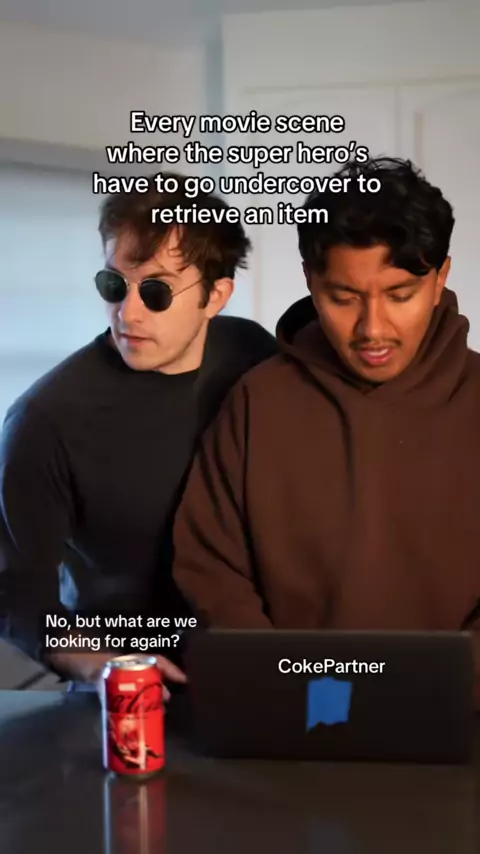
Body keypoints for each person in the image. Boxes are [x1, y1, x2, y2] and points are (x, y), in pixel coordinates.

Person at [172, 157, 480, 702]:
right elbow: (211, 569)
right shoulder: (257, 402)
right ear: (311, 283)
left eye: (400, 295)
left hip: (459, 718)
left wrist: (438, 690)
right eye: (344, 298)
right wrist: (295, 691)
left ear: (440, 280)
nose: (373, 329)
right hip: (289, 719)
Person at [0, 173, 277, 691]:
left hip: (251, 667)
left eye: (156, 291)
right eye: (114, 285)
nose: (127, 314)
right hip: (128, 689)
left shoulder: (251, 352)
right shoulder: (45, 420)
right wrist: (99, 665)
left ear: (216, 296)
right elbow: (16, 593)